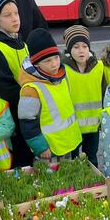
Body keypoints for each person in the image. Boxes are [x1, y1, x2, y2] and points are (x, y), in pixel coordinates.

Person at [0, 0, 33, 167]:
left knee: (28, 155)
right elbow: (4, 88)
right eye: (7, 15)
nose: (14, 18)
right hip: (11, 114)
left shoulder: (21, 42)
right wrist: (30, 96)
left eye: (16, 13)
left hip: (26, 109)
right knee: (19, 158)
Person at [18, 28, 82, 161]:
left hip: (68, 143)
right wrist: (40, 147)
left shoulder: (61, 77)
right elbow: (27, 122)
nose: (54, 64)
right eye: (47, 61)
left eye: (56, 58)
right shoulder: (31, 89)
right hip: (48, 150)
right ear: (36, 64)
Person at [62, 25, 105, 167]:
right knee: (73, 161)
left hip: (93, 125)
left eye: (84, 46)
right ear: (69, 49)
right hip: (73, 126)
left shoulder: (99, 67)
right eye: (76, 47)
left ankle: (94, 184)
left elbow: (104, 92)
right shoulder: (64, 69)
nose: (81, 50)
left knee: (91, 159)